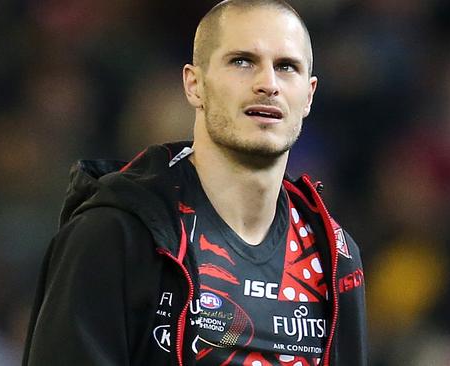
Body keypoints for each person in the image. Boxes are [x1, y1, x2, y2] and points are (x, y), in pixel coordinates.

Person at [22, 0, 367, 365]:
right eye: (242, 62)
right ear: (194, 85)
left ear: (309, 94)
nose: (268, 84)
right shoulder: (117, 234)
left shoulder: (333, 255)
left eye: (286, 67)